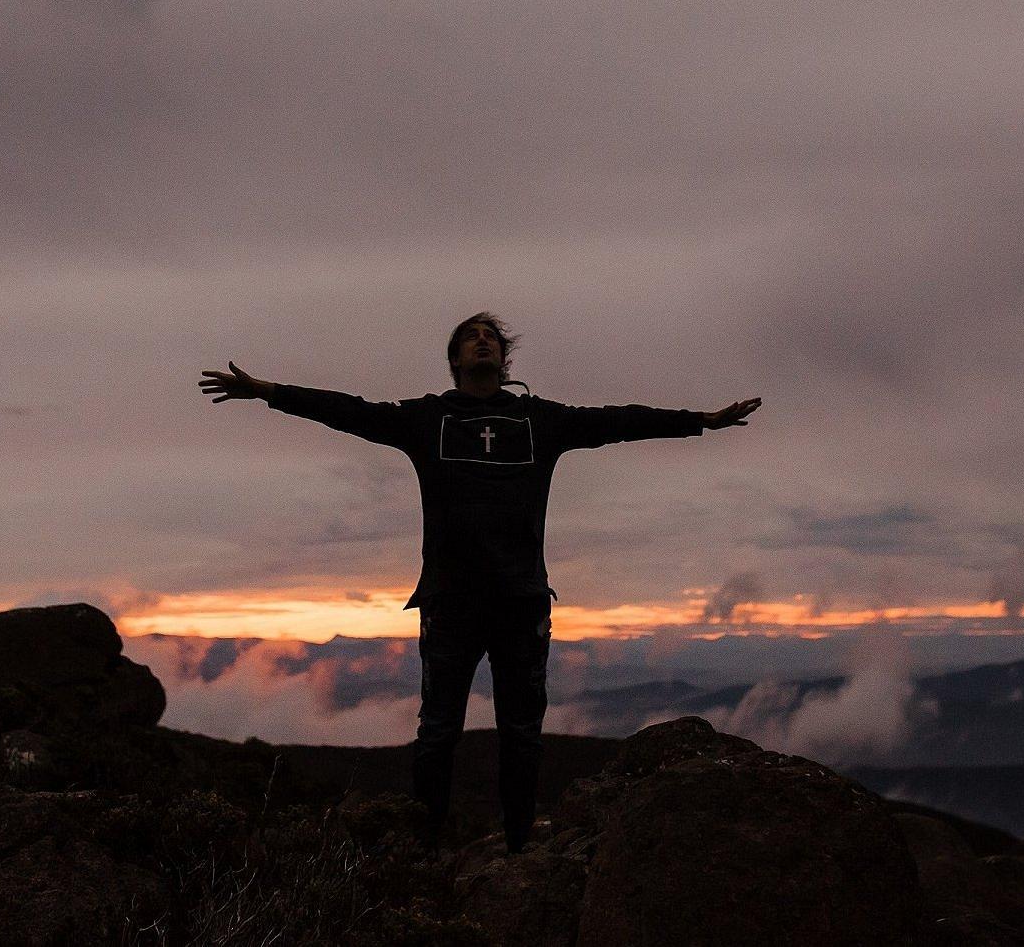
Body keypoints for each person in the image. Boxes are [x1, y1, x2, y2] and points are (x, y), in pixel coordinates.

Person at [199, 313, 759, 853]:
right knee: (439, 730)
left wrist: (699, 421)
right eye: (471, 338)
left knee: (522, 733)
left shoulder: (541, 421)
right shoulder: (426, 419)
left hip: (521, 600)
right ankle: (423, 851)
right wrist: (268, 390)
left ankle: (518, 848)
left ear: (504, 356)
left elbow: (617, 421)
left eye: (490, 336)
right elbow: (349, 412)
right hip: (450, 601)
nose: (483, 342)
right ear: (454, 360)